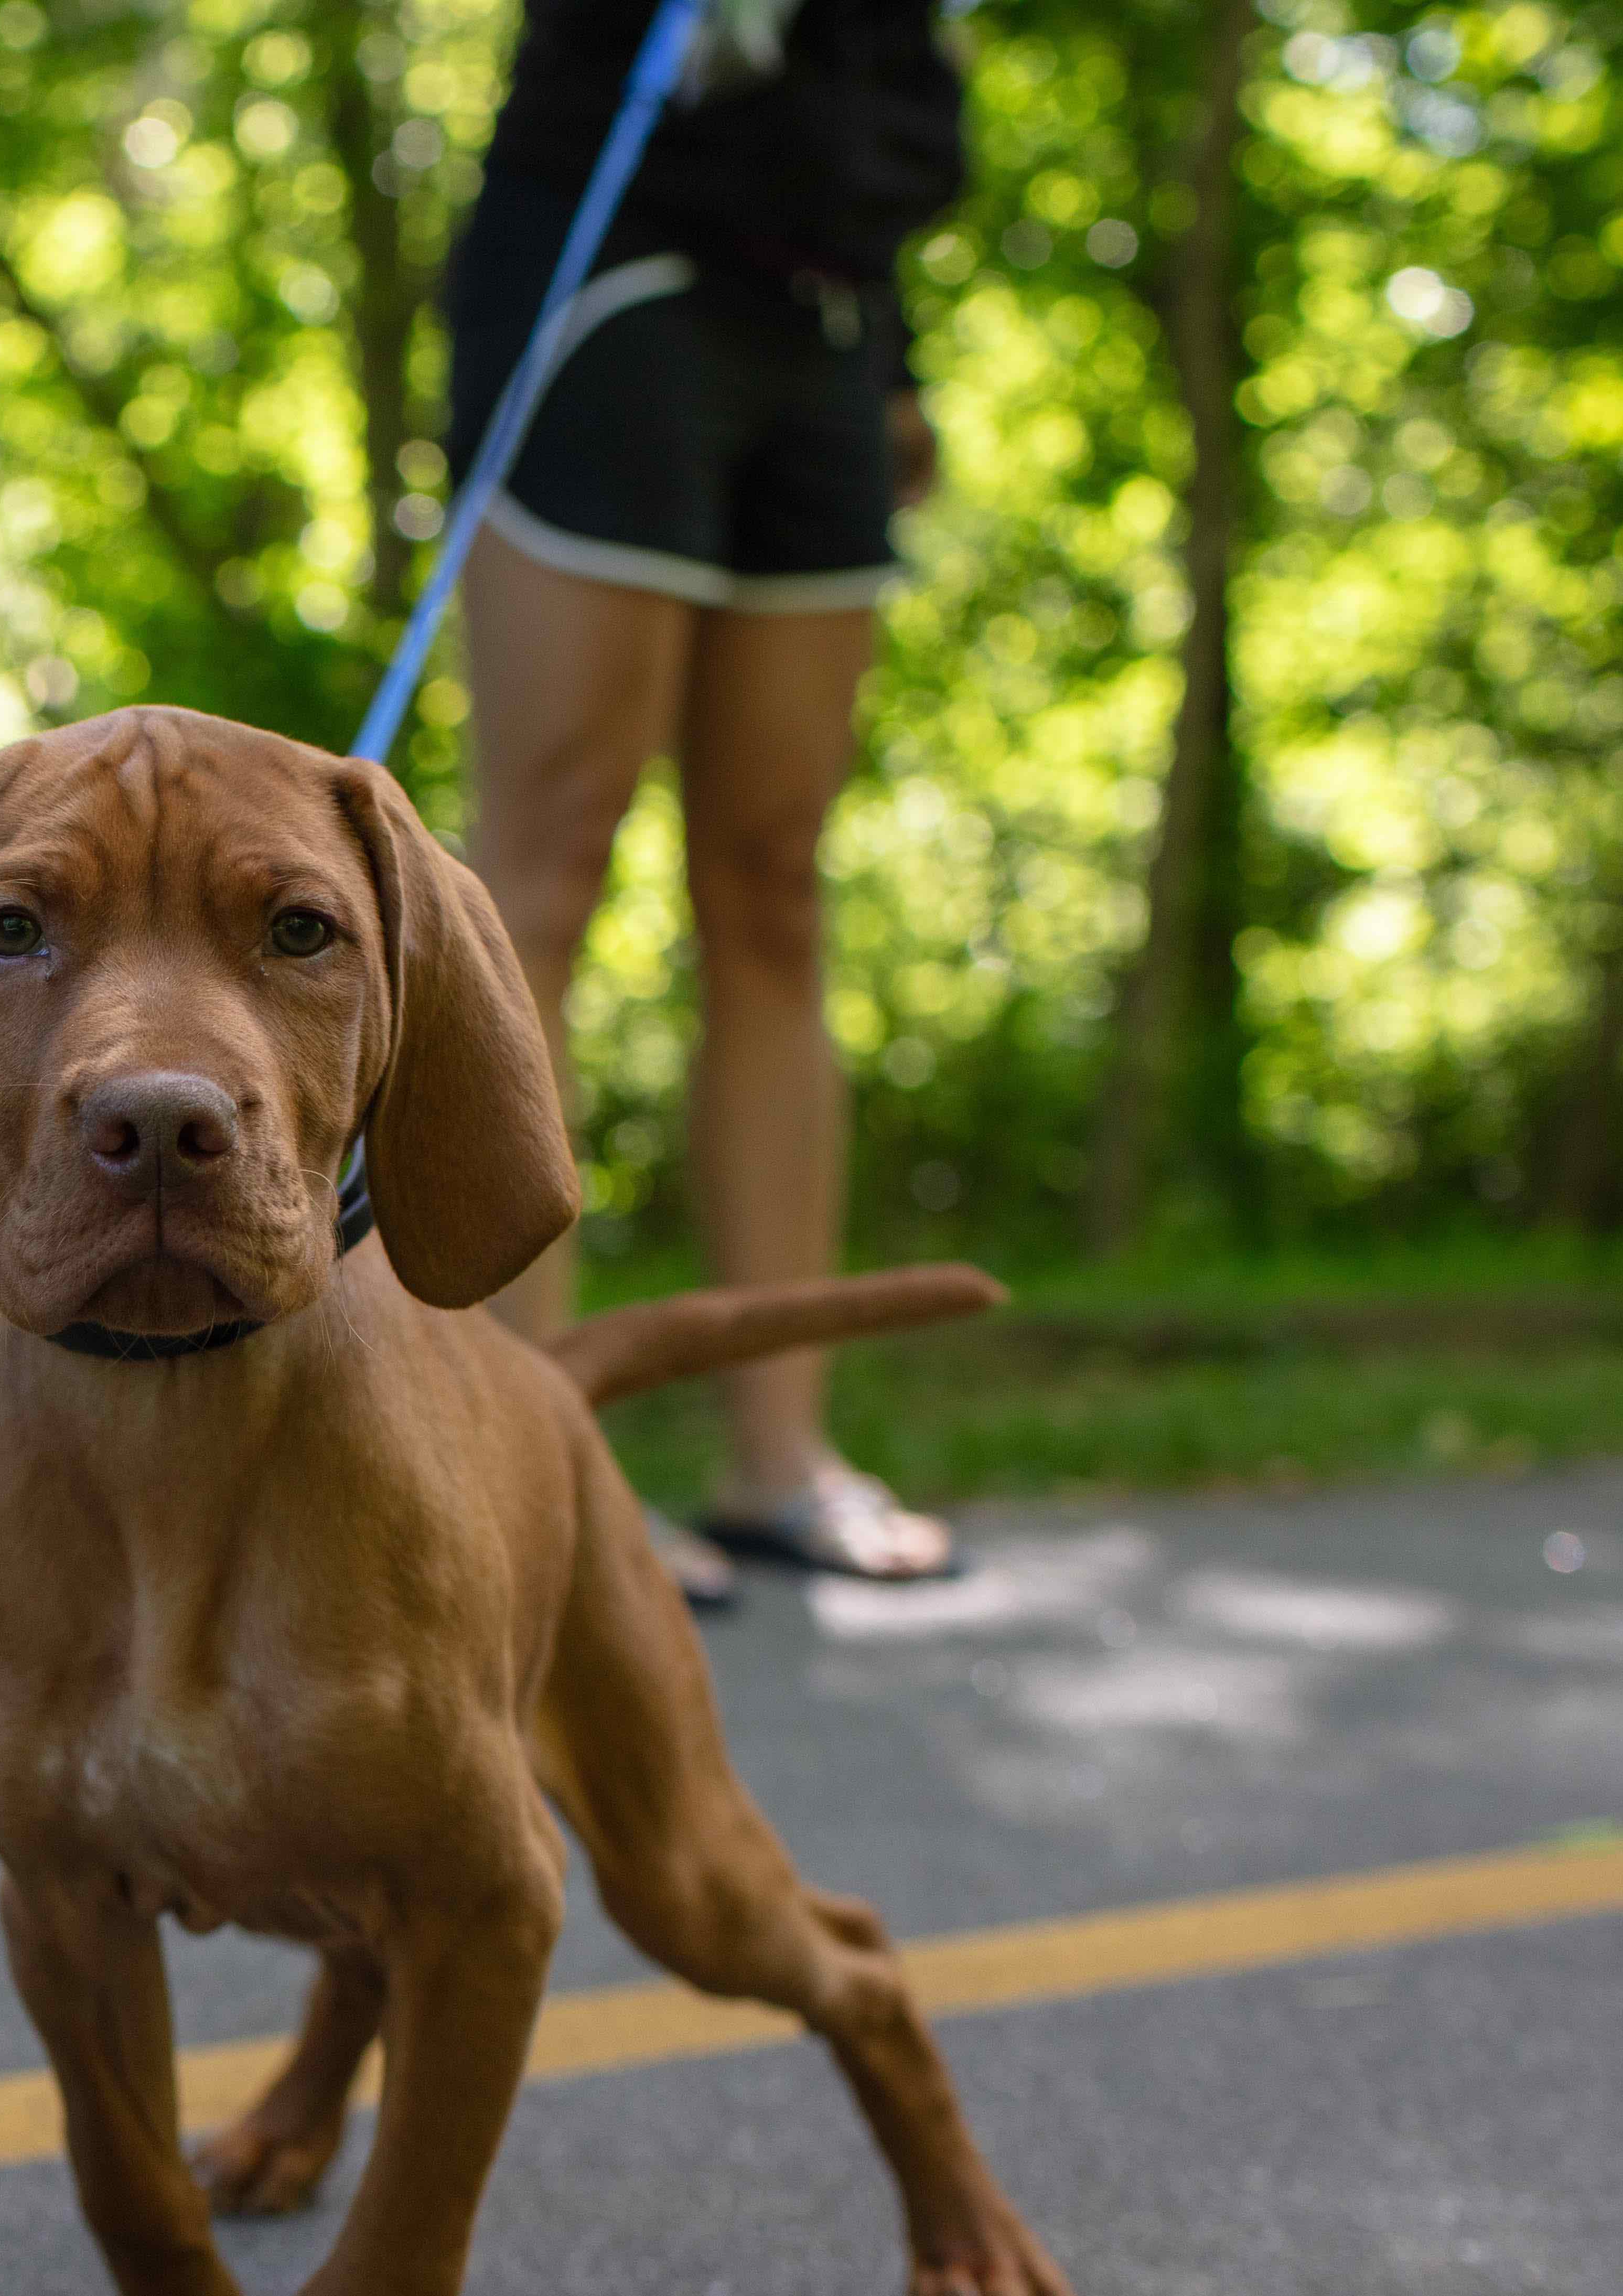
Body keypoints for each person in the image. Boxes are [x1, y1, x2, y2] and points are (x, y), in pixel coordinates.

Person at [443, 0, 969, 1591]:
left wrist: (899, 360)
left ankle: (779, 1457)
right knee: (546, 862)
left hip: (831, 312)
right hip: (611, 269)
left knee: (774, 884)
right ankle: (517, 1459)